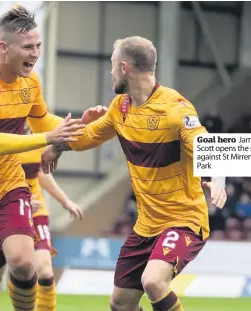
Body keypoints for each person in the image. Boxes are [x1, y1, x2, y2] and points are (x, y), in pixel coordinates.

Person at [40, 36, 227, 311]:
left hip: (184, 220)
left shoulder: (175, 108)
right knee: (120, 303)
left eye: (114, 65)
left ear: (125, 67)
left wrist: (218, 178)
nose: (111, 72)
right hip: (146, 227)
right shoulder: (120, 108)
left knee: (153, 282)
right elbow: (89, 136)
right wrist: (56, 147)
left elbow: (204, 142)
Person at [0, 5, 96, 311]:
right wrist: (51, 137)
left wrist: (82, 125)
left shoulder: (31, 82)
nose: (35, 53)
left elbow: (43, 122)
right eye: (28, 47)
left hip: (9, 187)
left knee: (25, 263)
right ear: (3, 47)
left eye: (38, 46)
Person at [0, 126, 85, 311]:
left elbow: (41, 173)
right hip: (4, 214)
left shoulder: (38, 139)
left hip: (36, 214)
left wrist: (65, 201)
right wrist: (19, 201)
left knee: (44, 270)